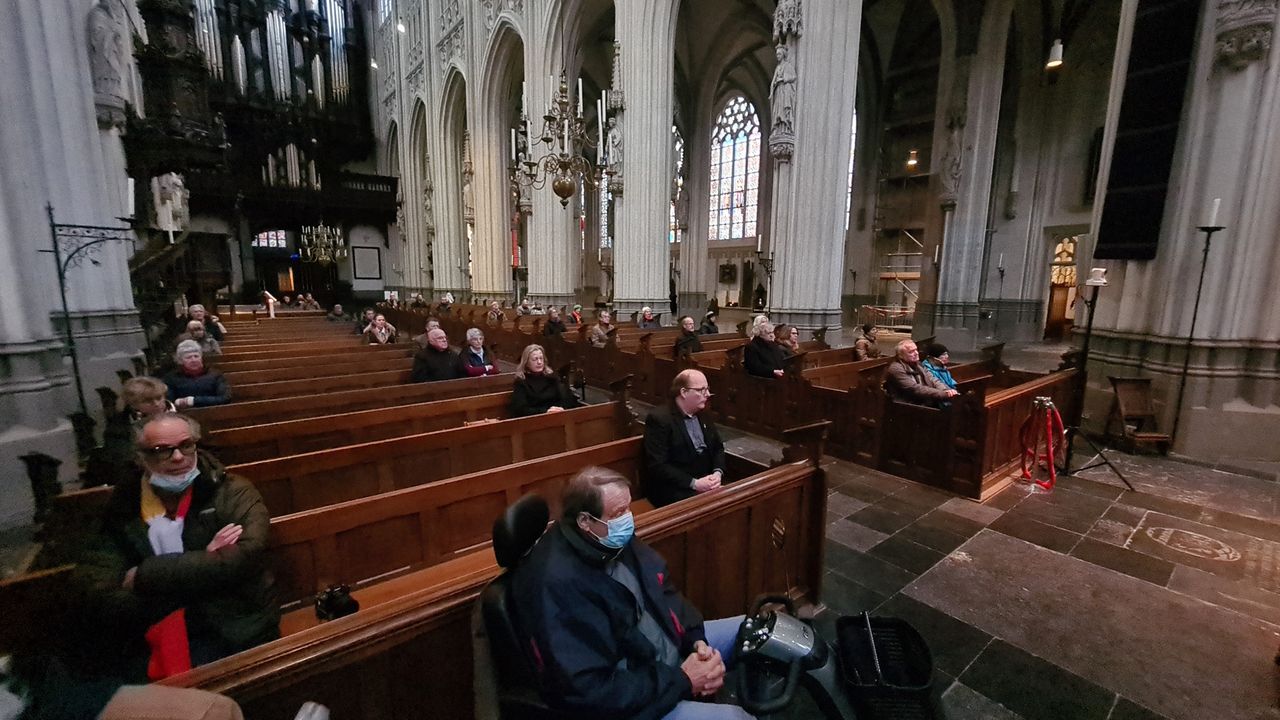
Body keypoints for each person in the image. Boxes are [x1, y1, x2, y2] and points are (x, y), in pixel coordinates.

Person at [510, 466, 749, 720]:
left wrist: (696, 640)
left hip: (666, 658)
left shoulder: (610, 540)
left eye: (628, 507)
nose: (628, 519)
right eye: (618, 512)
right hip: (639, 697)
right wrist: (683, 679)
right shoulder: (556, 584)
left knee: (753, 630)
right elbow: (591, 690)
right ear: (585, 521)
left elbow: (664, 592)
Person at [78, 414, 279, 681]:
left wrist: (144, 576)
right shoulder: (123, 505)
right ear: (141, 457)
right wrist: (203, 564)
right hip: (144, 629)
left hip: (230, 622)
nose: (178, 457)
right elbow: (96, 587)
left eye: (186, 445)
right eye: (162, 450)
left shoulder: (231, 491)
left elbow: (244, 556)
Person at [642, 369, 727, 508]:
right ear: (683, 392)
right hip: (675, 488)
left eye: (707, 389)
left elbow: (718, 447)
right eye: (701, 390)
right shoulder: (660, 419)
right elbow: (658, 465)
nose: (707, 395)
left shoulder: (703, 413)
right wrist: (695, 483)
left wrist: (717, 473)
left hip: (706, 480)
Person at [98, 377, 177, 488]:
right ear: (132, 404)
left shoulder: (179, 418)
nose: (156, 404)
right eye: (147, 401)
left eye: (159, 398)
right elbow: (124, 461)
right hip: (139, 480)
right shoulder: (118, 429)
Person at [509, 344, 580, 417]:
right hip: (535, 419)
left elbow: (565, 397)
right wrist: (545, 411)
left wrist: (560, 408)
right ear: (526, 362)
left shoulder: (551, 377)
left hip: (557, 415)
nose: (539, 362)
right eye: (535, 359)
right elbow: (521, 409)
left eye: (541, 358)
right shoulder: (521, 382)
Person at [884, 339, 959, 406]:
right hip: (907, 405)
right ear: (901, 356)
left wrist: (946, 390)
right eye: (911, 352)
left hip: (922, 401)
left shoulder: (918, 364)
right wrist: (943, 394)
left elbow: (934, 380)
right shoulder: (896, 368)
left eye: (916, 350)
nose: (916, 353)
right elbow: (915, 389)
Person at [163, 341, 230, 408]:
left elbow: (225, 398)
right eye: (188, 357)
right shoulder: (171, 378)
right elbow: (169, 402)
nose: (193, 360)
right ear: (181, 361)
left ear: (201, 358)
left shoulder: (215, 375)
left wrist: (194, 400)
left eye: (196, 356)